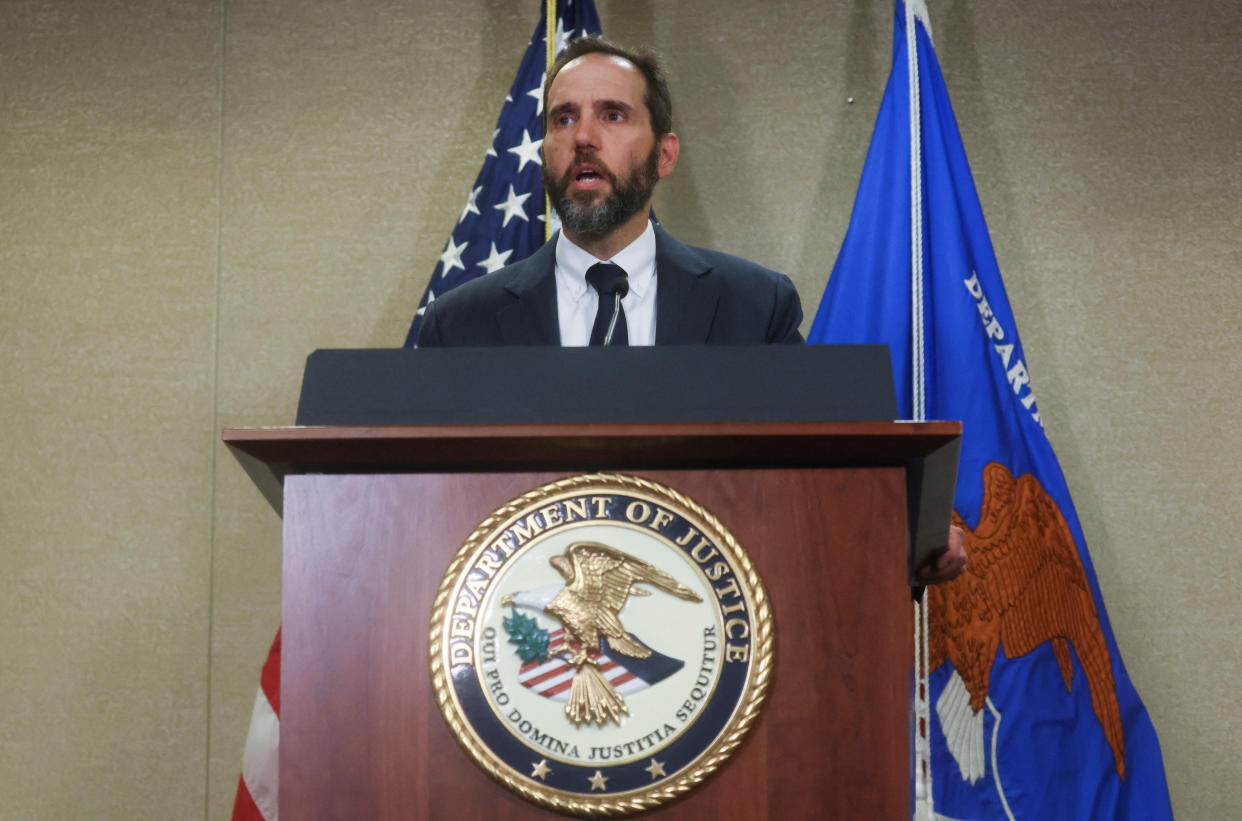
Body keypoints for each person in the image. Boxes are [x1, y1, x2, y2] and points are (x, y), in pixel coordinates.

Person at [418, 36, 966, 583]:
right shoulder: (462, 324)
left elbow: (821, 478)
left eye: (612, 115)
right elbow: (426, 506)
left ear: (665, 154)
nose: (583, 137)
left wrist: (912, 529)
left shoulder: (754, 307)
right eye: (563, 119)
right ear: (544, 152)